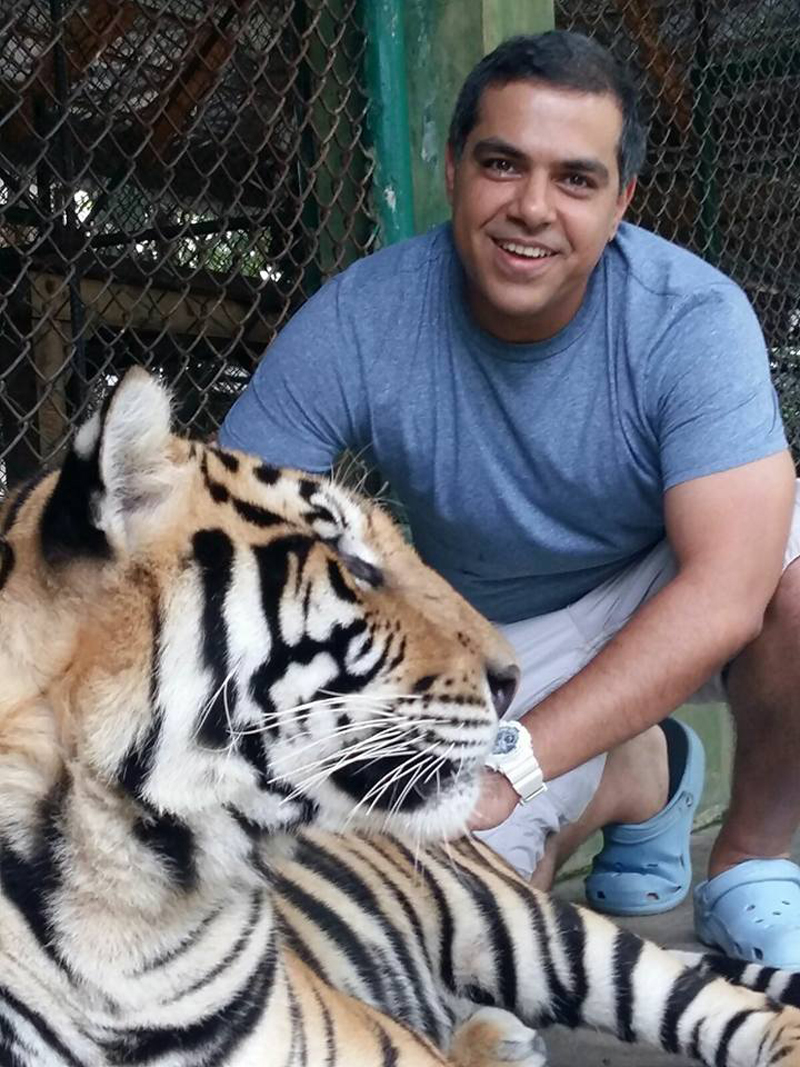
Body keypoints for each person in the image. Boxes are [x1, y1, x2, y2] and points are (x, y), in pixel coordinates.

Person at [219, 31, 800, 967]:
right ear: (452, 170)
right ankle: (634, 773)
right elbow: (228, 532)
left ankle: (749, 867)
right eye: (502, 164)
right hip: (490, 639)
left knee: (792, 570)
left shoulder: (690, 315)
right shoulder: (362, 317)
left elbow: (730, 588)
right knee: (460, 929)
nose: (532, 207)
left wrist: (512, 764)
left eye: (575, 179)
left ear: (621, 201)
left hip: (668, 579)